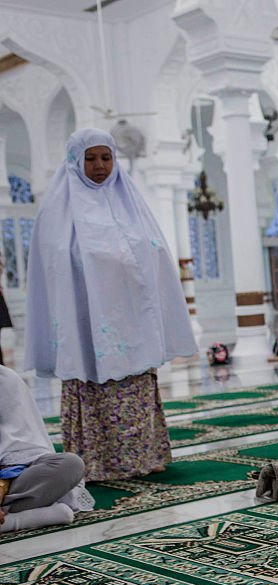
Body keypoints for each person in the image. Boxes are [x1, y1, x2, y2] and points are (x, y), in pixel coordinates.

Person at [24, 129, 197, 481]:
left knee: (133, 387)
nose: (99, 166)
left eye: (106, 157)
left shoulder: (130, 203)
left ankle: (143, 457)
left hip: (133, 320)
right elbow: (57, 267)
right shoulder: (58, 214)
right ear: (75, 161)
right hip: (85, 324)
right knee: (94, 385)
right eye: (90, 158)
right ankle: (98, 463)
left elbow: (154, 254)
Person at [0, 365, 94, 533]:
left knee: (69, 464)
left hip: (10, 483)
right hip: (13, 497)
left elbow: (24, 449)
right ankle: (16, 520)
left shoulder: (4, 379)